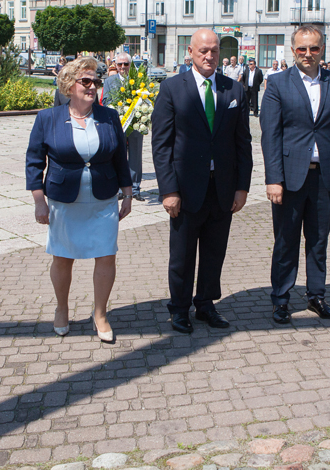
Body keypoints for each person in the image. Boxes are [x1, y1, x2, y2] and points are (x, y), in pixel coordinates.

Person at [151, 29, 252, 334]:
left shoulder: (234, 90)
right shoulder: (172, 88)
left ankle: (206, 304)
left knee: (214, 252)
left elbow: (242, 143)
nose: (209, 56)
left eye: (214, 51)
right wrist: (168, 190)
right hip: (185, 189)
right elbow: (162, 144)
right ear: (191, 53)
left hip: (222, 188)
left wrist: (242, 187)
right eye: (203, 51)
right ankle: (179, 308)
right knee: (182, 255)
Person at [26, 57, 133, 343]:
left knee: (106, 255)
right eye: (86, 81)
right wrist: (39, 200)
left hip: (103, 200)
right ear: (69, 84)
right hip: (64, 201)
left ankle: (100, 314)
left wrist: (127, 193)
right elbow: (34, 162)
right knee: (63, 257)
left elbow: (120, 159)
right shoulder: (47, 118)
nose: (92, 86)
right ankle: (62, 308)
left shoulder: (109, 117)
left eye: (96, 81)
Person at [261, 24, 330, 325]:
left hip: (325, 176)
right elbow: (270, 136)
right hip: (289, 178)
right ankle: (281, 299)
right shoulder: (278, 83)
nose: (308, 54)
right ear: (293, 50)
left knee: (318, 241)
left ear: (322, 49)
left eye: (314, 48)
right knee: (285, 241)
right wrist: (273, 179)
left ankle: (316, 295)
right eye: (302, 48)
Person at [102, 53, 145, 201]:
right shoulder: (109, 81)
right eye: (119, 64)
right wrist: (118, 109)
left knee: (136, 156)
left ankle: (135, 188)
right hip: (118, 124)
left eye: (126, 64)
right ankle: (121, 188)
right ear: (115, 65)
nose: (122, 67)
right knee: (119, 156)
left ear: (130, 65)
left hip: (136, 124)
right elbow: (106, 100)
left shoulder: (139, 79)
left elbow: (146, 99)